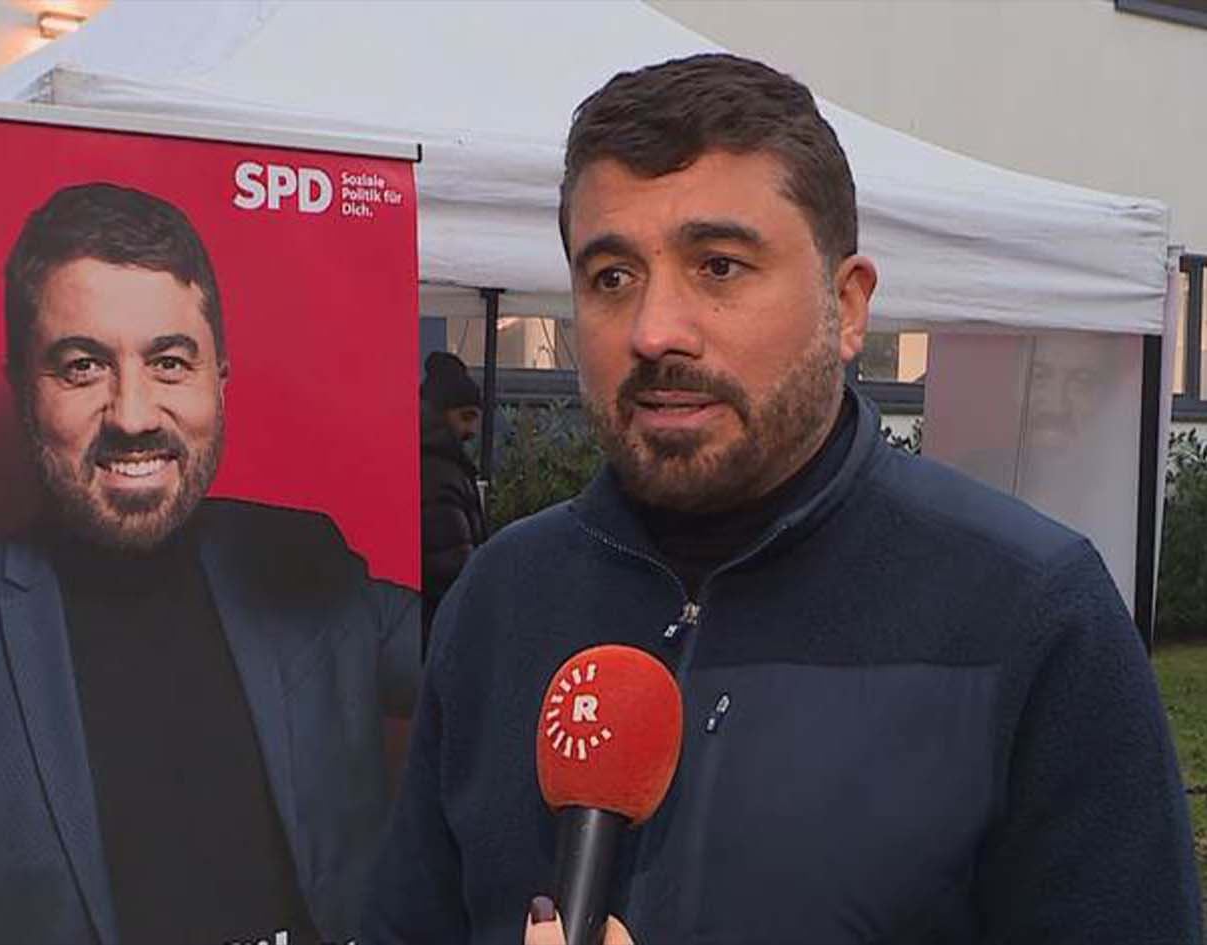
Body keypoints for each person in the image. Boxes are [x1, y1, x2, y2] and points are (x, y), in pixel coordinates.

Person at [364, 53, 1200, 945]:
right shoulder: (500, 602)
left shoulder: (1030, 614)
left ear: (848, 306)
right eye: (612, 276)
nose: (654, 330)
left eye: (719, 266)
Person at [0, 182, 419, 945]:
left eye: (170, 362)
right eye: (83, 366)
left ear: (220, 379)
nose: (134, 414)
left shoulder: (305, 560)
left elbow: (493, 655)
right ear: (22, 390)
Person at [419, 351, 487, 643]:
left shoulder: (436, 465)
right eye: (466, 417)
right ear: (441, 412)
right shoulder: (441, 473)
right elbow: (449, 568)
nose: (471, 430)